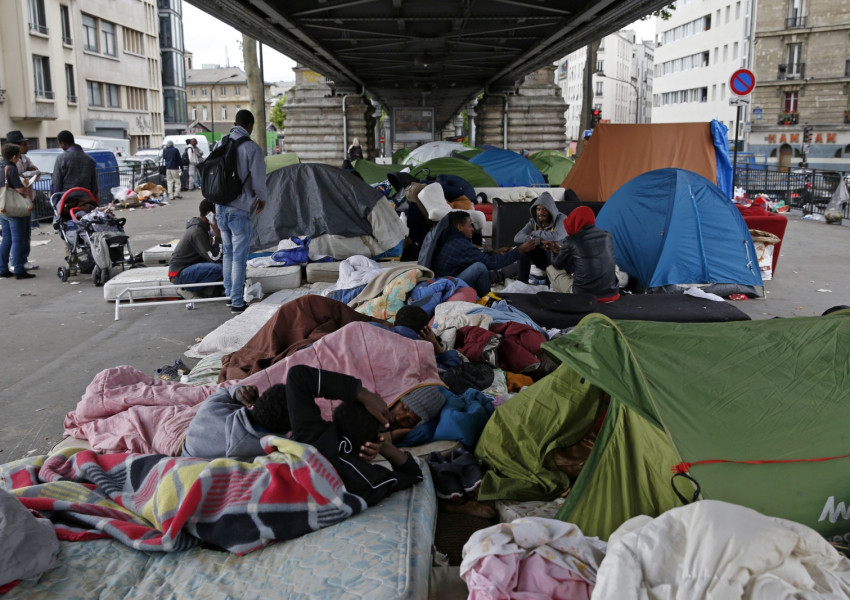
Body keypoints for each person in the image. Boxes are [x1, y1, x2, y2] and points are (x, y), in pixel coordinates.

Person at [183, 365, 423, 507]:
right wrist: (383, 447)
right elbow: (414, 475)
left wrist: (362, 393)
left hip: (186, 461)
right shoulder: (361, 476)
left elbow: (298, 376)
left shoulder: (306, 436)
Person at [216, 109, 267, 313]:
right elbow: (259, 180)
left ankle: (229, 294)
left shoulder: (221, 142)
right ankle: (237, 302)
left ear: (235, 122)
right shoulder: (251, 148)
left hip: (220, 206)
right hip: (239, 208)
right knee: (239, 257)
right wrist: (262, 199)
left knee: (227, 253)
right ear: (250, 126)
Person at [432, 211, 535, 296]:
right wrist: (520, 250)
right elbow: (491, 263)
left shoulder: (450, 237)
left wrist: (494, 252)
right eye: (470, 226)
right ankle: (487, 301)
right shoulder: (459, 244)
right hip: (448, 286)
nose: (472, 229)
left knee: (484, 268)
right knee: (480, 268)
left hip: (445, 279)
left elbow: (472, 256)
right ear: (460, 227)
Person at [546, 206, 620, 301]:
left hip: (583, 296)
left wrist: (554, 251)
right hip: (612, 293)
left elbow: (557, 265)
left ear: (574, 221)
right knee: (614, 266)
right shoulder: (607, 235)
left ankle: (563, 297)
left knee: (551, 269)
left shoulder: (571, 240)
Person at [167, 199, 223, 297]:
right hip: (179, 274)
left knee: (223, 265)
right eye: (216, 214)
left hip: (187, 269)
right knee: (220, 269)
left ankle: (203, 289)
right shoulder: (197, 232)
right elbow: (214, 258)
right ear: (209, 214)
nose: (218, 217)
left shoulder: (202, 227)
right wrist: (218, 234)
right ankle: (188, 289)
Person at [513, 192, 568, 284]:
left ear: (551, 210)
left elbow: (555, 236)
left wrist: (535, 233)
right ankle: (522, 282)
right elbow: (517, 237)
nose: (541, 212)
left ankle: (549, 283)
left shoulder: (562, 218)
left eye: (544, 209)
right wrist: (538, 240)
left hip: (561, 260)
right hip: (543, 260)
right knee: (524, 246)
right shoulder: (534, 221)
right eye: (538, 209)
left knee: (550, 243)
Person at [5, 131, 40, 270]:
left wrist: (27, 174)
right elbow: (19, 182)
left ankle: (20, 261)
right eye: (24, 144)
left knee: (22, 235)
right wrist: (27, 175)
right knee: (18, 236)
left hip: (24, 200)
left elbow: (36, 171)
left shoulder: (24, 159)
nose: (27, 146)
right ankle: (17, 263)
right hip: (16, 203)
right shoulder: (11, 165)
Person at [0, 143, 35, 279]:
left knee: (6, 239)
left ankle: (3, 268)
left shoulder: (1, 167)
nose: (19, 159)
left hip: (3, 207)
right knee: (18, 239)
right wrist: (26, 184)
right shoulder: (11, 169)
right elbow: (20, 190)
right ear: (14, 156)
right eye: (18, 156)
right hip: (15, 209)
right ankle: (19, 269)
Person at [52, 130, 98, 219]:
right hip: (86, 202)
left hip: (67, 202)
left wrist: (55, 203)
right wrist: (93, 200)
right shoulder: (90, 160)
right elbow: (94, 185)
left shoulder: (61, 159)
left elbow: (56, 184)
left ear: (63, 143)